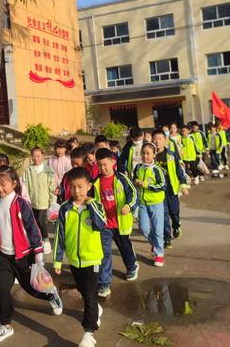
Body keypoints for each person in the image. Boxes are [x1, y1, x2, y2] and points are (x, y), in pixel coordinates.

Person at [0, 165, 63, 343]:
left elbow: (32, 227)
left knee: (32, 288)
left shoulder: (21, 204)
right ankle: (5, 325)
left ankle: (51, 295)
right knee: (0, 289)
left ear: (14, 183)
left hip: (23, 255)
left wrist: (38, 251)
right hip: (3, 257)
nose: (0, 188)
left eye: (4, 184)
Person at [53, 167, 106, 347]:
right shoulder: (65, 208)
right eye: (73, 187)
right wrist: (58, 259)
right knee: (84, 292)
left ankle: (88, 333)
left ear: (89, 186)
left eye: (81, 187)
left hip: (92, 259)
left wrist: (90, 204)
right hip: (74, 260)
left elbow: (100, 225)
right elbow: (59, 234)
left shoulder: (95, 205)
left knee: (90, 296)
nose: (77, 191)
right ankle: (96, 310)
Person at [93, 148, 139, 298]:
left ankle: (132, 266)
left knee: (124, 247)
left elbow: (133, 194)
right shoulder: (96, 182)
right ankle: (104, 283)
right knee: (104, 254)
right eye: (99, 165)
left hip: (121, 223)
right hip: (104, 225)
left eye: (105, 164)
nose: (102, 168)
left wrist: (129, 206)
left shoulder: (122, 179)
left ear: (113, 162)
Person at [152, 130, 188, 250]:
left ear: (165, 140)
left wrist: (183, 184)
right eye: (155, 139)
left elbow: (179, 170)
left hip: (171, 189)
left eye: (159, 139)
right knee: (163, 215)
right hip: (159, 191)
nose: (157, 141)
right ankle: (166, 238)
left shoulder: (171, 155)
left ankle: (176, 225)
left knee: (174, 212)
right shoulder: (151, 156)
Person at [132, 142, 166, 267]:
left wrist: (146, 185)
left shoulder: (158, 170)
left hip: (156, 203)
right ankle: (156, 244)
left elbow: (162, 185)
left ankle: (159, 254)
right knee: (144, 229)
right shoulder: (138, 168)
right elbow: (134, 179)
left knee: (157, 229)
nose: (145, 156)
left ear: (154, 155)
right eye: (143, 153)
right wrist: (135, 182)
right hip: (142, 203)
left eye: (148, 154)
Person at [23, 147, 56, 254]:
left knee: (41, 220)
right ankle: (38, 240)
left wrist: (52, 201)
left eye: (38, 156)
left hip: (44, 201)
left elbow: (51, 185)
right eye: (34, 156)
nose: (36, 158)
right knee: (35, 221)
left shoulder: (48, 170)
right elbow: (24, 184)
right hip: (32, 201)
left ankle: (46, 241)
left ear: (42, 156)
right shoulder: (28, 170)